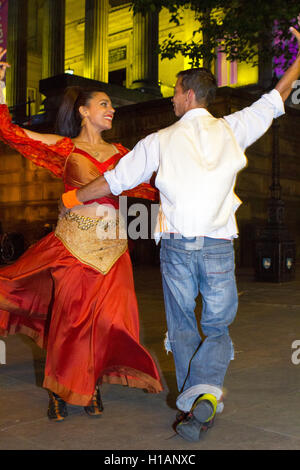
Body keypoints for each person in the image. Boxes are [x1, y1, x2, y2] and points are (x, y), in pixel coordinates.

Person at [60, 25, 300, 441]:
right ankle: (202, 399)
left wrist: (70, 200)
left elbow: (113, 182)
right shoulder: (233, 129)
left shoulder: (160, 139)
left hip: (176, 248)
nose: (170, 97)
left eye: (174, 91)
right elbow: (276, 98)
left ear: (189, 95)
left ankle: (198, 399)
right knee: (219, 329)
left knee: (184, 328)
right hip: (219, 247)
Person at [0, 47, 162, 422]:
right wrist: (2, 83)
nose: (112, 109)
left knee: (113, 322)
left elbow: (155, 185)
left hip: (114, 249)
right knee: (69, 322)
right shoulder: (65, 148)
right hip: (73, 245)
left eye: (112, 105)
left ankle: (92, 385)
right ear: (84, 111)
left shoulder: (124, 154)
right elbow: (10, 132)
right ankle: (60, 390)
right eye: (104, 103)